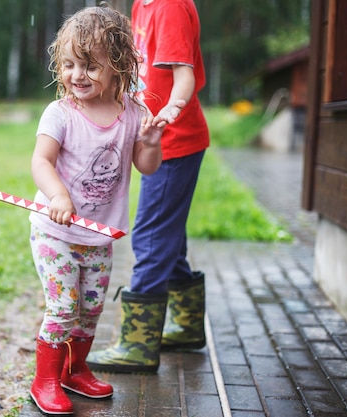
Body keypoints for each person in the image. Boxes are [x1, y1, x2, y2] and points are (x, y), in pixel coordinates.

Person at [28, 4, 176, 415]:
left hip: (99, 235)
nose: (78, 75)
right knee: (62, 306)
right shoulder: (59, 114)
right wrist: (58, 196)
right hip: (54, 231)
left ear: (119, 65)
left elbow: (147, 167)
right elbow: (41, 161)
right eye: (70, 64)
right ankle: (45, 381)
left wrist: (150, 143)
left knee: (91, 309)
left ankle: (75, 372)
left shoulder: (132, 114)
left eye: (90, 66)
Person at [87, 0, 210, 374]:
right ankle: (187, 328)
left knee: (152, 237)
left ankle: (138, 344)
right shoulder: (143, 4)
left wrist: (173, 107)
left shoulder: (169, 6)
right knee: (168, 237)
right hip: (159, 141)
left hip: (174, 142)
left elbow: (183, 73)